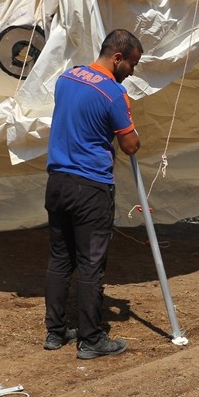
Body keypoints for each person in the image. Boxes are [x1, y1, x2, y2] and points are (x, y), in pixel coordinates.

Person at [44, 29, 143, 359]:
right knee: (90, 265)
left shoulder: (66, 78)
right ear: (117, 58)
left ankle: (55, 332)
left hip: (58, 181)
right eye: (132, 64)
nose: (132, 71)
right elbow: (130, 145)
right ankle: (91, 338)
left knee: (60, 259)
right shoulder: (113, 94)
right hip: (91, 186)